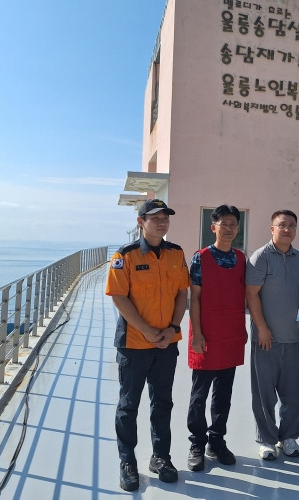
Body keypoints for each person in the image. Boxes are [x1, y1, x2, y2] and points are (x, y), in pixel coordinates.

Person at [105, 198, 190, 491]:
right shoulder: (124, 255)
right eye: (155, 218)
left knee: (162, 402)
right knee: (129, 405)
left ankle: (161, 457)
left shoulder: (176, 254)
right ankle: (127, 461)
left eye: (165, 217)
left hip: (166, 343)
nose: (162, 222)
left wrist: (173, 328)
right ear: (141, 222)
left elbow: (182, 293)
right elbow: (119, 297)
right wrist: (147, 330)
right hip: (133, 345)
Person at [246, 210, 299, 460]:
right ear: (272, 228)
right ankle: (266, 439)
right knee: (264, 394)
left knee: (294, 393)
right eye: (282, 225)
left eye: (292, 225)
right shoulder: (260, 257)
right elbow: (251, 294)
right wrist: (262, 328)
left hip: (294, 339)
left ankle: (288, 437)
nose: (287, 229)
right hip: (266, 339)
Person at [187, 204, 247, 472]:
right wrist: (197, 334)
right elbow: (195, 297)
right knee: (199, 395)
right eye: (224, 223)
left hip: (231, 334)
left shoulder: (242, 258)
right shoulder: (201, 257)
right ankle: (197, 444)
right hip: (207, 334)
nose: (229, 228)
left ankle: (216, 441)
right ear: (214, 227)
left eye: (233, 223)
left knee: (224, 394)